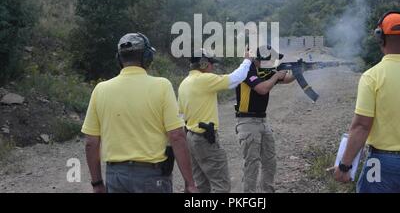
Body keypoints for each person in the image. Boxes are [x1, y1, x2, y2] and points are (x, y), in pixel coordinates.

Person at [333, 11, 400, 193]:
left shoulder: (372, 77)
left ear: (380, 37)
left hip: (381, 163)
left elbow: (361, 126)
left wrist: (345, 166)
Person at [81, 33, 197, 193]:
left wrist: (97, 183)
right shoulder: (162, 86)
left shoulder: (100, 90)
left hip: (115, 177)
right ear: (147, 57)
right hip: (152, 177)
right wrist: (189, 183)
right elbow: (177, 136)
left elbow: (90, 143)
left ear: (119, 59)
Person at [178, 48, 253, 193]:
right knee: (221, 185)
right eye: (211, 63)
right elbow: (235, 79)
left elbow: (181, 115)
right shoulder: (204, 79)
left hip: (191, 138)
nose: (213, 67)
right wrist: (247, 60)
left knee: (201, 185)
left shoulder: (184, 83)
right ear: (204, 64)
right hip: (204, 139)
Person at [235, 46, 296, 193]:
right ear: (259, 59)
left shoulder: (265, 71)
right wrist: (276, 76)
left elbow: (286, 79)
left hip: (262, 121)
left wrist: (300, 71)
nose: (273, 62)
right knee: (252, 164)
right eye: (270, 59)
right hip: (247, 122)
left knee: (270, 161)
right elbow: (262, 88)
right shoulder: (246, 70)